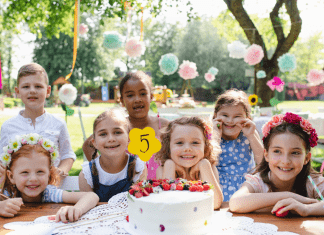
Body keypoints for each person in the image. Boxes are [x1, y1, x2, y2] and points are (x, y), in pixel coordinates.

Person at [229, 113, 324, 216]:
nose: (285, 161)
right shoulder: (259, 183)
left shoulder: (312, 182)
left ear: (306, 158)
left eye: (295, 153)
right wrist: (288, 196)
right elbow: (235, 203)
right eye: (277, 151)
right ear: (266, 155)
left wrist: (307, 209)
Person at [82, 71, 168, 179]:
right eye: (130, 95)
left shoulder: (164, 126)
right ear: (122, 100)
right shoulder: (118, 127)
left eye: (143, 93)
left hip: (159, 190)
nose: (137, 99)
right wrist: (101, 170)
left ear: (151, 96)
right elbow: (88, 145)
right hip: (126, 191)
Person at [0, 63, 76, 185]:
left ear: (48, 91)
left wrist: (61, 170)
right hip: (18, 192)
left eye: (38, 86)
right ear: (17, 91)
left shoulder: (58, 124)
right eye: (26, 87)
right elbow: (2, 160)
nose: (32, 91)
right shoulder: (8, 126)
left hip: (52, 190)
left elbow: (68, 155)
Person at [0, 134, 99, 221]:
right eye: (25, 172)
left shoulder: (49, 193)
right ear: (11, 176)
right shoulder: (6, 194)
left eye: (40, 172)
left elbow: (92, 196)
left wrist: (77, 209)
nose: (33, 178)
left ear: (49, 174)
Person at [79, 109, 147, 202]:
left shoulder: (138, 168)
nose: (111, 139)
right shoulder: (86, 174)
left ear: (129, 138)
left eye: (117, 132)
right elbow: (86, 208)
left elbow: (138, 204)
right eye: (103, 134)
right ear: (95, 143)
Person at [155, 116, 223, 209]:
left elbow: (215, 204)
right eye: (179, 143)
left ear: (205, 146)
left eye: (195, 142)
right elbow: (167, 204)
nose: (187, 148)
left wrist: (204, 165)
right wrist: (169, 165)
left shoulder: (208, 167)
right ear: (168, 147)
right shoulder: (163, 169)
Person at [212, 89, 264, 201]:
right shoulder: (211, 134)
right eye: (225, 115)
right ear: (216, 115)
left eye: (237, 116)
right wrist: (215, 136)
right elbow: (209, 161)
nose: (230, 121)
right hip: (218, 184)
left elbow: (262, 162)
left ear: (247, 118)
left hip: (246, 186)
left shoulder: (248, 133)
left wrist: (250, 135)